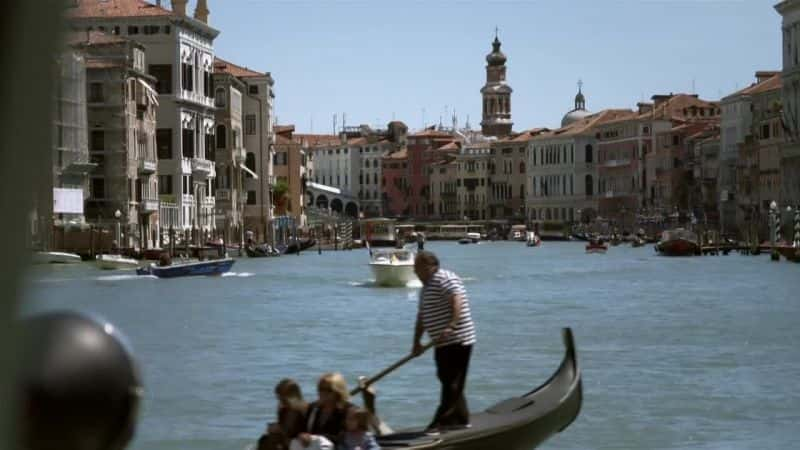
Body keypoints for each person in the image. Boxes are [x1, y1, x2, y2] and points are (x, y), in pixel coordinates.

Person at [411, 251, 476, 431]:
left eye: (417, 268)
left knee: (451, 381)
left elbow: (457, 300)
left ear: (428, 266)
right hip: (441, 343)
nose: (415, 272)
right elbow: (422, 316)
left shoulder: (445, 278)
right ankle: (462, 419)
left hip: (458, 339)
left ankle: (442, 422)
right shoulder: (425, 288)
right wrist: (416, 343)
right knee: (446, 379)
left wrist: (451, 326)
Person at [296, 372, 354, 448]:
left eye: (328, 390)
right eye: (321, 389)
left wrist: (315, 438)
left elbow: (345, 438)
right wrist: (302, 435)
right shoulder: (313, 408)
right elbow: (301, 429)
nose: (323, 393)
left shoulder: (348, 410)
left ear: (337, 392)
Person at [258, 379, 309, 450]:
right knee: (264, 439)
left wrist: (280, 430)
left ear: (294, 396)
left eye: (283, 399)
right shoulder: (283, 410)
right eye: (279, 398)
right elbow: (283, 428)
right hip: (285, 442)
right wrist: (275, 428)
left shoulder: (305, 411)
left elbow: (303, 435)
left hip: (297, 444)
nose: (281, 401)